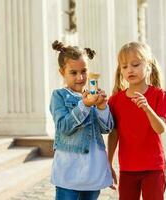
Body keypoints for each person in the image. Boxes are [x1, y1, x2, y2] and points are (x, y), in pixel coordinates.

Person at [107, 42, 166, 200]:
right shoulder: (115, 101)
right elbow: (114, 134)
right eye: (124, 66)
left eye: (135, 64)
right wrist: (108, 163)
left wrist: (147, 108)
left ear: (148, 66)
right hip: (127, 169)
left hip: (153, 168)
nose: (129, 69)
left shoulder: (160, 95)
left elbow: (161, 129)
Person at [50, 40, 114, 200]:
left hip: (93, 172)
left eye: (84, 71)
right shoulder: (59, 96)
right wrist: (84, 106)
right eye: (73, 72)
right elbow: (63, 127)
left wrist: (102, 107)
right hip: (69, 174)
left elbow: (107, 128)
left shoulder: (92, 95)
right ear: (62, 72)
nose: (80, 77)